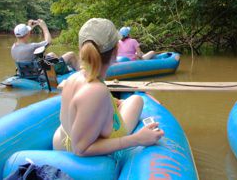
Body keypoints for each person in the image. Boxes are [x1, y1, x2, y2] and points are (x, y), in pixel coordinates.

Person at [52, 18, 164, 156]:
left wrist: (116, 102)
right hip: (82, 152)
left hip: (62, 140)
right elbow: (81, 149)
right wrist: (137, 139)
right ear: (115, 51)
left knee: (126, 102)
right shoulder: (96, 91)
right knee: (136, 100)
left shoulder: (74, 78)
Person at [11, 19, 79, 72]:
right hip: (39, 72)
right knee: (71, 54)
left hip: (27, 71)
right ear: (28, 34)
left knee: (51, 54)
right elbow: (48, 41)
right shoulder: (32, 47)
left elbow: (24, 36)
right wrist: (44, 27)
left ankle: (64, 67)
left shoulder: (13, 47)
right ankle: (81, 73)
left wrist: (29, 27)